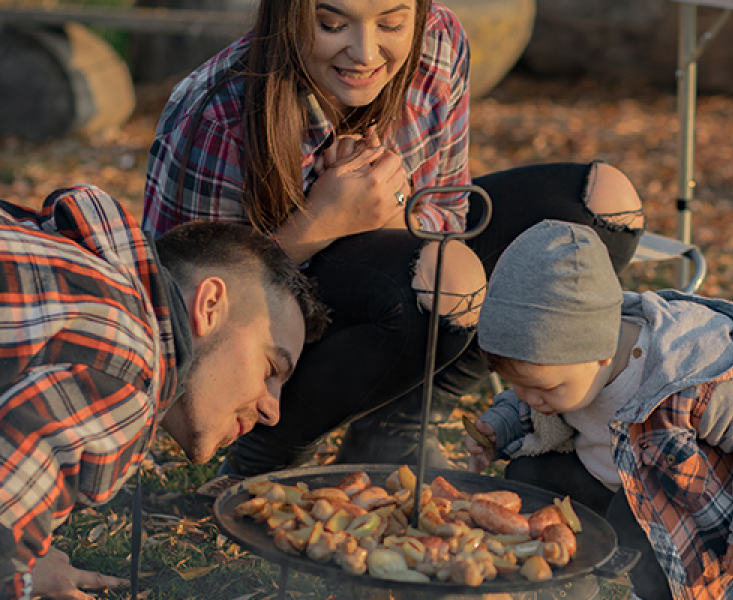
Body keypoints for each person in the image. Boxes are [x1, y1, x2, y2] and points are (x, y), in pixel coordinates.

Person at [143, 0, 646, 476]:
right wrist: (320, 222)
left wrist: (385, 212)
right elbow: (189, 309)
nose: (364, 53)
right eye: (332, 24)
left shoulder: (439, 43)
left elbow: (447, 214)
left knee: (604, 205)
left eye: (390, 23)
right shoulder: (219, 114)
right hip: (279, 327)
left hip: (393, 249)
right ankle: (270, 447)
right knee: (448, 276)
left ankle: (399, 423)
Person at [0, 176, 328, 599]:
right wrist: (11, 575)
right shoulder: (126, 363)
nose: (273, 411)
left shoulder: (71, 275)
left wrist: (18, 551)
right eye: (270, 367)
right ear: (210, 305)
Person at [465, 219, 733, 600]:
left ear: (600, 352)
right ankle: (564, 580)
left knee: (635, 523)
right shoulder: (566, 371)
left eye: (542, 388)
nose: (526, 397)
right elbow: (527, 403)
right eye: (517, 385)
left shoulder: (690, 376)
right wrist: (501, 424)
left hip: (683, 520)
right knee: (530, 476)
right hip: (602, 479)